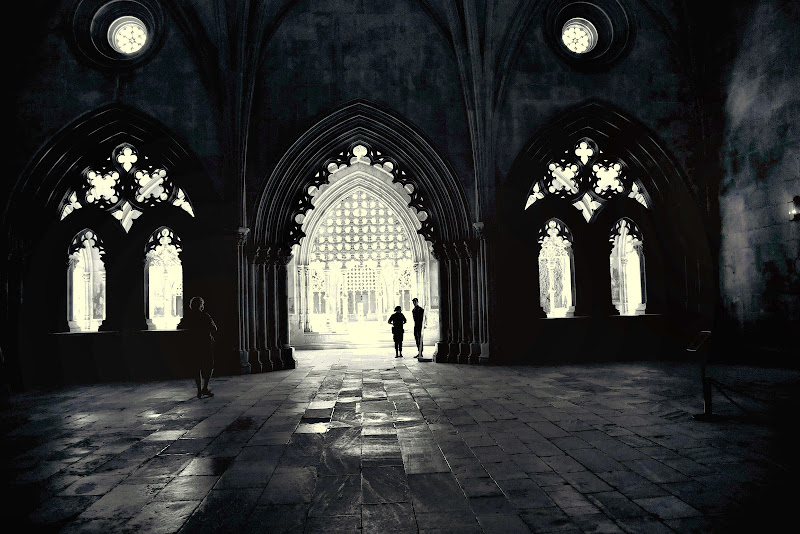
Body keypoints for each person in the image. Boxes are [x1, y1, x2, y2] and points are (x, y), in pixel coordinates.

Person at [180, 296, 218, 398]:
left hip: (193, 344)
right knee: (209, 365)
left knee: (196, 367)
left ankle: (198, 390)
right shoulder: (204, 315)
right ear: (201, 305)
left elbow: (180, 327)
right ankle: (205, 388)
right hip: (205, 343)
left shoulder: (188, 317)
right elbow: (214, 328)